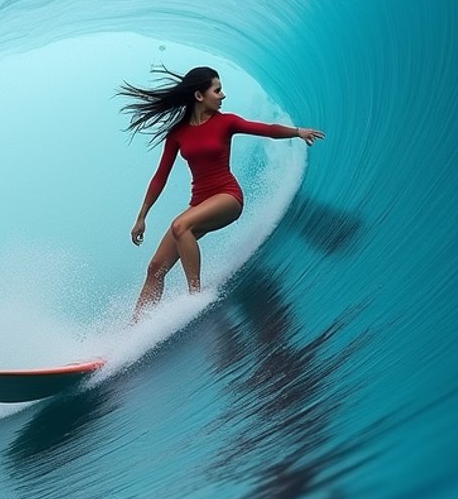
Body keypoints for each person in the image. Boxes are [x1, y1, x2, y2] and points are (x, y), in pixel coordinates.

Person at [119, 65, 324, 318]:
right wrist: (142, 216)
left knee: (180, 225)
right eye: (217, 90)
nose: (223, 95)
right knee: (155, 268)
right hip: (200, 205)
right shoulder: (178, 134)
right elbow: (160, 176)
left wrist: (297, 132)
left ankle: (195, 297)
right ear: (199, 96)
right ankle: (135, 329)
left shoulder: (226, 122)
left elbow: (266, 129)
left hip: (228, 197)